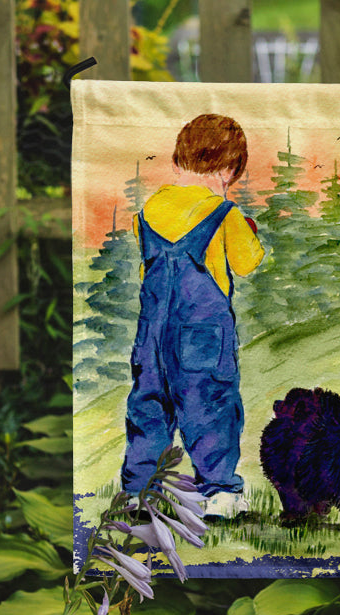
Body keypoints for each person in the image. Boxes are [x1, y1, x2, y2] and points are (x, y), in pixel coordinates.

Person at [121, 113, 265, 518]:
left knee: (149, 405)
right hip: (202, 335)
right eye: (229, 175)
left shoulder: (149, 210)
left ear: (177, 161)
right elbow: (247, 261)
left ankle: (139, 492)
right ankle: (219, 494)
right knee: (210, 406)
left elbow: (149, 263)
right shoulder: (224, 213)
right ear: (226, 169)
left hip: (152, 336)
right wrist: (248, 230)